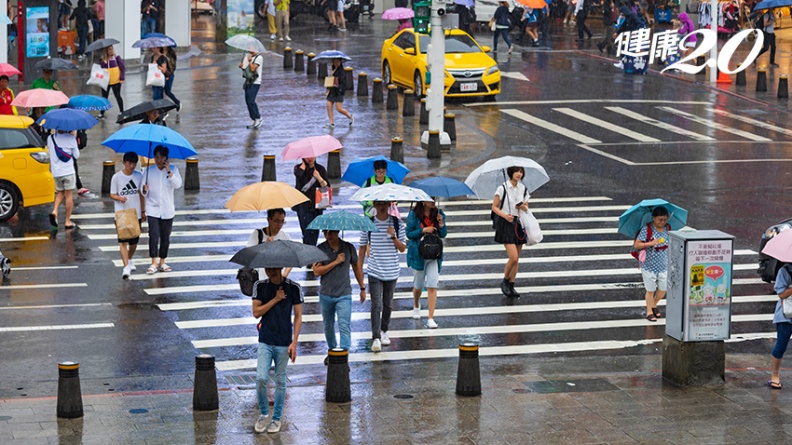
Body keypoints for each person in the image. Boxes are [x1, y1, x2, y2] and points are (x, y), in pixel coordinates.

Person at [252, 266, 303, 434]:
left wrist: (294, 342)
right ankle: (264, 414)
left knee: (280, 380)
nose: (271, 272)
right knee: (261, 378)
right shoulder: (260, 286)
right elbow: (256, 312)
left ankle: (276, 418)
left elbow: (298, 316)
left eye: (274, 269)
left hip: (284, 341)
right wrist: (275, 299)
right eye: (268, 269)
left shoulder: (293, 287)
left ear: (281, 267)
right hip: (265, 340)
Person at [358, 200, 406, 352]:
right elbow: (362, 246)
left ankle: (384, 330)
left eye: (385, 203)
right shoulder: (369, 223)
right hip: (374, 270)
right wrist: (359, 269)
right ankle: (376, 337)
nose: (382, 206)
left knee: (388, 304)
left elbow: (402, 248)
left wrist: (393, 237)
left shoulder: (397, 223)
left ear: (389, 205)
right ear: (374, 205)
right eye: (379, 203)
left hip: (392, 270)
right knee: (376, 305)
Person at [313, 229, 365, 357]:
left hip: (344, 294)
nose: (328, 235)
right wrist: (336, 261)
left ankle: (344, 356)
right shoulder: (321, 249)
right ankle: (332, 351)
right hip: (326, 294)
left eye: (331, 232)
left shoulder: (348, 248)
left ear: (337, 232)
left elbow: (356, 267)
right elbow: (316, 271)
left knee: (344, 326)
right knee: (328, 326)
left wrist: (362, 288)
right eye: (325, 233)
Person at [406, 199, 447, 329]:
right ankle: (416, 304)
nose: (433, 201)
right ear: (423, 201)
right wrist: (423, 230)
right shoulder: (413, 215)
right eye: (430, 199)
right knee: (418, 285)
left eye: (434, 198)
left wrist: (441, 223)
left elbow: (443, 234)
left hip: (434, 254)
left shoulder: (439, 214)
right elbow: (409, 234)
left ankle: (430, 317)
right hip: (418, 254)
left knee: (432, 285)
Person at [142, 145, 182, 274]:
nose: (159, 160)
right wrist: (144, 190)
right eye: (157, 157)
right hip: (152, 208)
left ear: (166, 158)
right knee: (153, 235)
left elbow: (178, 185)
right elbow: (142, 191)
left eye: (162, 157)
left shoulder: (173, 169)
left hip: (167, 209)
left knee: (165, 237)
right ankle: (153, 262)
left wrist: (169, 172)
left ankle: (162, 261)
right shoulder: (149, 171)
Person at [492, 166, 529, 298]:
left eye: (521, 172)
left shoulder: (523, 188)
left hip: (518, 223)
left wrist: (522, 206)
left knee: (517, 259)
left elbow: (526, 207)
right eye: (516, 171)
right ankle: (505, 281)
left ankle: (511, 285)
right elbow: (494, 207)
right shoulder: (502, 188)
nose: (519, 174)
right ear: (511, 173)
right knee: (513, 257)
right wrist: (505, 215)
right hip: (506, 223)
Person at [110, 152, 145, 280]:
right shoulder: (116, 177)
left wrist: (143, 210)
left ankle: (129, 259)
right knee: (123, 241)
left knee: (134, 241)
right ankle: (125, 266)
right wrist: (119, 198)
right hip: (121, 213)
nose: (132, 166)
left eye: (134, 163)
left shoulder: (139, 176)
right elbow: (112, 194)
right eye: (129, 163)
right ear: (124, 163)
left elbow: (142, 194)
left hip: (135, 212)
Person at [634, 206, 669, 322]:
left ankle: (653, 304)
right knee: (650, 290)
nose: (662, 222)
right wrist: (650, 243)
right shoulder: (647, 229)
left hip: (663, 265)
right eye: (660, 219)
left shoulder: (668, 229)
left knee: (663, 288)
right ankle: (649, 312)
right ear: (653, 218)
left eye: (664, 219)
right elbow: (637, 244)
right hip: (649, 265)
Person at [46, 130, 80, 229]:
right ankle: (67, 221)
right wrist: (72, 137)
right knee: (69, 196)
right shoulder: (71, 139)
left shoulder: (50, 138)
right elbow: (76, 155)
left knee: (60, 193)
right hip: (68, 171)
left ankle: (55, 211)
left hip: (56, 172)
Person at [246, 208, 292, 278]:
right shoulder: (257, 235)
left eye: (282, 221)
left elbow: (291, 258)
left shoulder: (285, 236)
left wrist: (285, 275)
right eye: (276, 221)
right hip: (262, 279)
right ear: (268, 219)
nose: (280, 224)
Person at [293, 157, 329, 247]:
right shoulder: (298, 169)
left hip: (317, 206)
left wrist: (319, 177)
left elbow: (327, 187)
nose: (310, 158)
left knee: (315, 233)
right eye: (307, 156)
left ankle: (311, 251)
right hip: (303, 206)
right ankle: (308, 252)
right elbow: (299, 182)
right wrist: (302, 169)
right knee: (307, 233)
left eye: (312, 155)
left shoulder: (320, 169)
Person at [768, 263, 792, 389]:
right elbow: (781, 293)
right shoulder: (785, 271)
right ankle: (775, 375)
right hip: (785, 315)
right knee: (781, 346)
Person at [324, 58, 353, 129]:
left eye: (338, 61)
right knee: (329, 106)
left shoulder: (341, 72)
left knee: (339, 109)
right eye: (335, 61)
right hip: (332, 90)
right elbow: (331, 80)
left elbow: (342, 82)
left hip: (338, 91)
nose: (336, 63)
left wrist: (334, 75)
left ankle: (350, 116)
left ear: (340, 62)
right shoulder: (333, 70)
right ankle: (331, 123)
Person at [99, 45, 125, 119]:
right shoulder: (103, 59)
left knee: (118, 95)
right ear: (106, 51)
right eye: (109, 49)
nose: (111, 51)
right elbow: (100, 69)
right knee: (104, 97)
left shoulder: (116, 57)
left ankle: (121, 111)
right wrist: (104, 63)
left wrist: (122, 77)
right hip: (106, 81)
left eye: (112, 49)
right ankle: (102, 112)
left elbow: (122, 68)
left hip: (115, 80)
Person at [239, 49, 263, 129]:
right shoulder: (248, 56)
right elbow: (247, 70)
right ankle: (253, 119)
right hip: (248, 82)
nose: (249, 49)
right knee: (247, 102)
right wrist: (242, 67)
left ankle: (258, 118)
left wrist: (250, 61)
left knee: (251, 101)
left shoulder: (259, 57)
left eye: (250, 47)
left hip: (255, 82)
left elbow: (253, 69)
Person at [163, 47, 181, 111]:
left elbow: (173, 66)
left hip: (169, 75)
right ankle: (162, 107)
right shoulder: (160, 52)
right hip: (161, 75)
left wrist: (167, 60)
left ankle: (176, 101)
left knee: (167, 91)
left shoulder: (171, 53)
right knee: (160, 91)